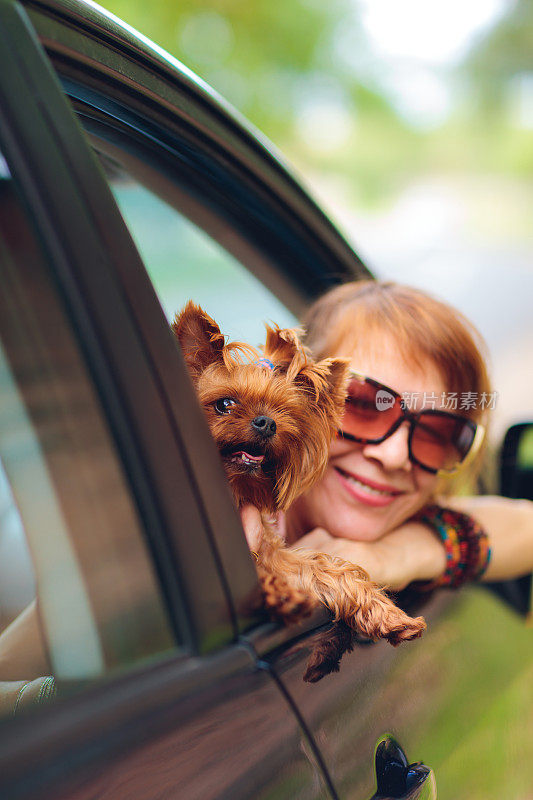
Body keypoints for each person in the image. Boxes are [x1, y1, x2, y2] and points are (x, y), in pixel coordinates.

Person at [242, 280, 533, 594]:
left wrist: (397, 554)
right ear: (289, 393)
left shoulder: (408, 522)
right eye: (361, 404)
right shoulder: (233, 510)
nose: (395, 456)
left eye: (437, 433)